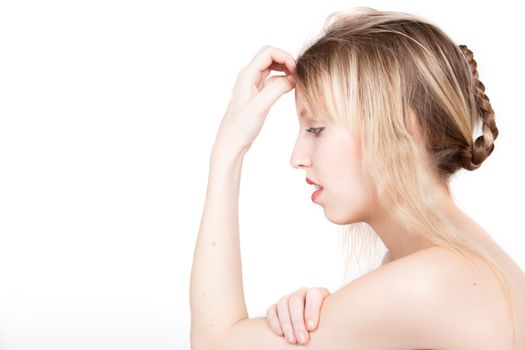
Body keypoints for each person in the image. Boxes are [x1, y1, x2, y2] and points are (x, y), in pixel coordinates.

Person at [190, 7, 525, 350]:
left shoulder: (431, 282)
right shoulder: (447, 265)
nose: (297, 158)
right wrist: (332, 317)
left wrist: (228, 152)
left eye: (316, 129)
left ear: (406, 130)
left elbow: (215, 343)